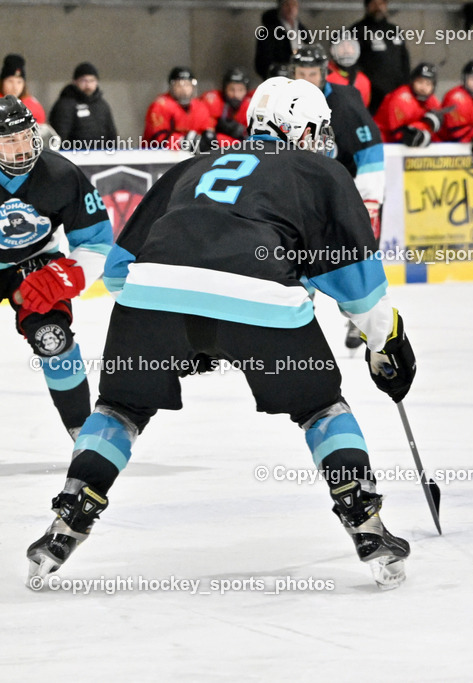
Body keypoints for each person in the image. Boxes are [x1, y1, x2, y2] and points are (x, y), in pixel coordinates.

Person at [26, 77, 416, 590]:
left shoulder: (192, 166)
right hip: (259, 303)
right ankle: (365, 523)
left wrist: (191, 332)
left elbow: (120, 275)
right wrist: (388, 343)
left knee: (119, 410)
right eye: (317, 129)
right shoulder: (318, 170)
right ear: (298, 127)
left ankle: (69, 517)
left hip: (151, 301)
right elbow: (360, 293)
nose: (322, 139)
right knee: (322, 409)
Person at [0, 95, 113, 441]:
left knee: (54, 338)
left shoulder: (61, 174)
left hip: (35, 262)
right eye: (9, 140)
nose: (21, 147)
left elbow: (96, 241)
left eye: (25, 136)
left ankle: (83, 432)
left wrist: (62, 275)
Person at [291, 46, 386, 349]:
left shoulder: (343, 101)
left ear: (324, 73)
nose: (306, 80)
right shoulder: (285, 101)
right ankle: (297, 325)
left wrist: (369, 200)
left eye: (312, 74)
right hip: (304, 198)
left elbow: (369, 147)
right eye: (300, 73)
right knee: (297, 264)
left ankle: (363, 320)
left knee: (353, 262)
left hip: (344, 197)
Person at [351, 0, 411, 114]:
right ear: (367, 6)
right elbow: (352, 65)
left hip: (396, 95)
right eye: (374, 3)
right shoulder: (357, 31)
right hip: (372, 98)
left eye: (382, 3)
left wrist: (406, 87)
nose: (378, 7)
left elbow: (405, 60)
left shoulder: (394, 30)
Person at [143, 67, 215, 152]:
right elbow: (158, 138)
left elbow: (208, 132)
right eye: (179, 85)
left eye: (187, 85)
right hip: (160, 157)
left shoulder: (200, 107)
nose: (184, 89)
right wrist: (183, 142)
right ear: (171, 86)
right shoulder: (160, 106)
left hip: (190, 156)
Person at [49, 63, 118, 149]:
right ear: (75, 81)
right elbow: (60, 136)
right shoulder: (65, 105)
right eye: (84, 81)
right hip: (74, 157)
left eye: (92, 80)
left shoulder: (102, 105)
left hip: (101, 157)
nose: (88, 85)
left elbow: (111, 134)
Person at [374, 63, 443, 147]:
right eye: (420, 82)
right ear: (412, 81)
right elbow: (400, 135)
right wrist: (426, 125)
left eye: (428, 84)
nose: (423, 87)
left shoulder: (431, 99)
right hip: (383, 143)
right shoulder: (401, 98)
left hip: (402, 146)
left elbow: (439, 132)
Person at [255, 0, 309, 79]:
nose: (291, 8)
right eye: (287, 4)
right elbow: (262, 62)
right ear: (280, 7)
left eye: (294, 4)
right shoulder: (268, 31)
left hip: (300, 78)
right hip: (278, 79)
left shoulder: (302, 30)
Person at [201, 68, 253, 143]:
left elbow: (253, 140)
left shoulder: (250, 106)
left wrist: (243, 132)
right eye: (232, 89)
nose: (236, 95)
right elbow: (208, 135)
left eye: (240, 90)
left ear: (246, 91)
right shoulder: (214, 100)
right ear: (225, 89)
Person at [327, 36, 372, 109]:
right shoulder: (323, 75)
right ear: (332, 49)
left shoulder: (363, 80)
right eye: (341, 46)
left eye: (350, 45)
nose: (346, 50)